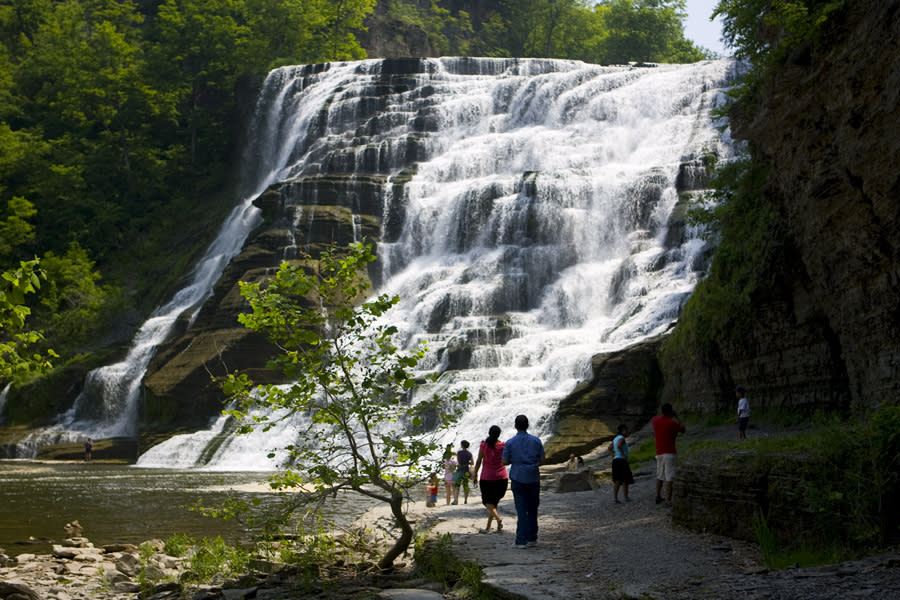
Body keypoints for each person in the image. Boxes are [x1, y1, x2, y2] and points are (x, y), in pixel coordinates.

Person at [502, 414, 545, 548]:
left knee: (521, 510)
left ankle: (521, 540)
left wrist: (515, 460)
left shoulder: (510, 442)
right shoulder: (536, 441)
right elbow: (542, 460)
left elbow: (504, 461)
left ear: (515, 426)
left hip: (517, 477)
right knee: (533, 508)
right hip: (533, 477)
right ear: (528, 425)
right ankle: (532, 538)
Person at [472, 425, 508, 533]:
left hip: (487, 478)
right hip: (502, 478)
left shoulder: (484, 445)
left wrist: (475, 474)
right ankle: (488, 526)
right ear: (499, 434)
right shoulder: (503, 446)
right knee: (494, 503)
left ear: (489, 433)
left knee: (487, 502)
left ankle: (498, 519)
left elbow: (478, 461)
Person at [652, 403, 685, 506]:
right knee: (669, 476)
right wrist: (677, 417)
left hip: (659, 452)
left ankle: (658, 496)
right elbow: (683, 429)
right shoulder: (672, 423)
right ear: (671, 411)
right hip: (670, 452)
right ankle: (668, 500)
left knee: (660, 475)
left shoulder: (655, 421)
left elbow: (658, 420)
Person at [611, 424, 634, 503]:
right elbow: (619, 446)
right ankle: (626, 497)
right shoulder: (622, 438)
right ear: (623, 430)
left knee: (617, 480)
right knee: (625, 479)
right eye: (626, 430)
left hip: (615, 460)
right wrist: (623, 455)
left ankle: (615, 498)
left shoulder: (615, 438)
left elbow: (609, 448)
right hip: (621, 460)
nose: (628, 431)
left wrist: (612, 455)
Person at [453, 440, 474, 504]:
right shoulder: (469, 454)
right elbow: (472, 463)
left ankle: (456, 500)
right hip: (466, 470)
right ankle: (465, 500)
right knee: (466, 485)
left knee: (457, 486)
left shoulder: (459, 453)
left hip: (459, 470)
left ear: (462, 445)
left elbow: (458, 461)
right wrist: (468, 462)